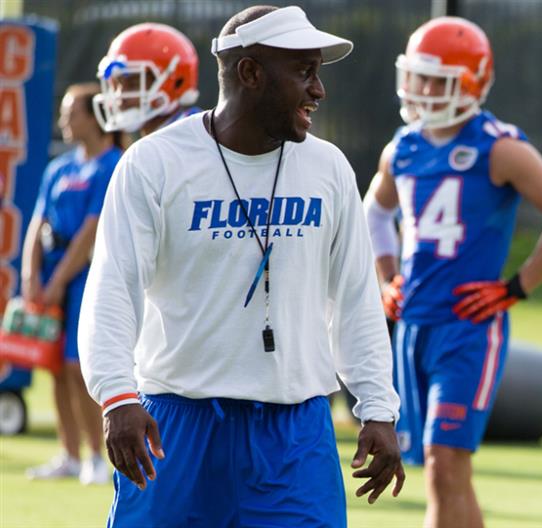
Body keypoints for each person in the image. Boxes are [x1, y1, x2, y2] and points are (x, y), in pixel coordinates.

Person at [79, 6, 404, 527]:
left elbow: (355, 300)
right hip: (176, 426)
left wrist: (378, 407)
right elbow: (113, 292)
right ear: (250, 73)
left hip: (295, 435)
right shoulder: (153, 164)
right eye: (304, 72)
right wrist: (116, 397)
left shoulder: (329, 168)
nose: (318, 90)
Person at [363, 16, 542, 528]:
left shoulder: (499, 147)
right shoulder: (402, 147)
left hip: (468, 328)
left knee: (446, 462)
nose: (421, 89)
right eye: (416, 76)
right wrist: (385, 277)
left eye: (435, 79)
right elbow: (373, 212)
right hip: (414, 326)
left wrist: (518, 286)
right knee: (441, 472)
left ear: (471, 83)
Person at [22, 82, 123, 485]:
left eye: (71, 112)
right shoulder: (59, 168)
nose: (64, 120)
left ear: (94, 117)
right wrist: (32, 275)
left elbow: (91, 231)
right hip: (50, 278)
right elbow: (37, 222)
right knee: (54, 368)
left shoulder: (113, 163)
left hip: (84, 277)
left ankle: (96, 457)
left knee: (78, 365)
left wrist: (60, 280)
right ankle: (68, 452)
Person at [93, 22, 202, 137]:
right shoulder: (158, 139)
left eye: (133, 84)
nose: (121, 96)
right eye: (117, 84)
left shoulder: (198, 137)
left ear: (175, 83)